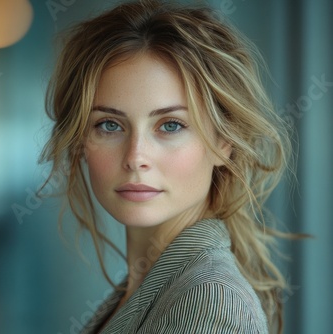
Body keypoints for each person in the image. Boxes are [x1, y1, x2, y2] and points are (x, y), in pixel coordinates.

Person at [39, 1, 296, 333]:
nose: (135, 156)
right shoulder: (149, 288)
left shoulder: (211, 302)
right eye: (110, 125)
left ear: (224, 143)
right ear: (80, 141)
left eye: (171, 125)